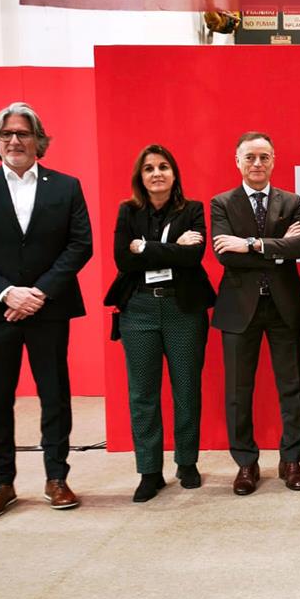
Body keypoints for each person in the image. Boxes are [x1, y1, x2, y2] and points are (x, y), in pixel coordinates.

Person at [0, 102, 93, 519]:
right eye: (7, 134)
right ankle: (2, 482)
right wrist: (8, 292)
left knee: (55, 396)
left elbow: (79, 245)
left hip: (48, 309)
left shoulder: (65, 186)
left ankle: (56, 478)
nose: (15, 140)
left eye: (24, 134)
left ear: (39, 141)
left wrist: (39, 293)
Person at [104, 144, 216, 502]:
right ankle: (149, 471)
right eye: (149, 168)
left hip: (183, 310)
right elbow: (123, 259)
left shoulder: (193, 210)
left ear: (174, 174)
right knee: (143, 394)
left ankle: (186, 463)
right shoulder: (128, 211)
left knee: (186, 389)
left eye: (164, 167)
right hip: (138, 311)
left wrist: (145, 248)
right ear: (141, 176)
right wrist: (168, 250)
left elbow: (194, 255)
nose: (157, 173)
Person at [210, 131, 300, 496]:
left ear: (274, 161)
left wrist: (251, 244)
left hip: (285, 307)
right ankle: (246, 463)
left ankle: (291, 460)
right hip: (239, 310)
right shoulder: (221, 203)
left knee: (293, 386)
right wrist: (276, 247)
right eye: (250, 157)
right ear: (237, 161)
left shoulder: (291, 201)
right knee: (239, 390)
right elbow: (224, 254)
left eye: (264, 157)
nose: (257, 164)